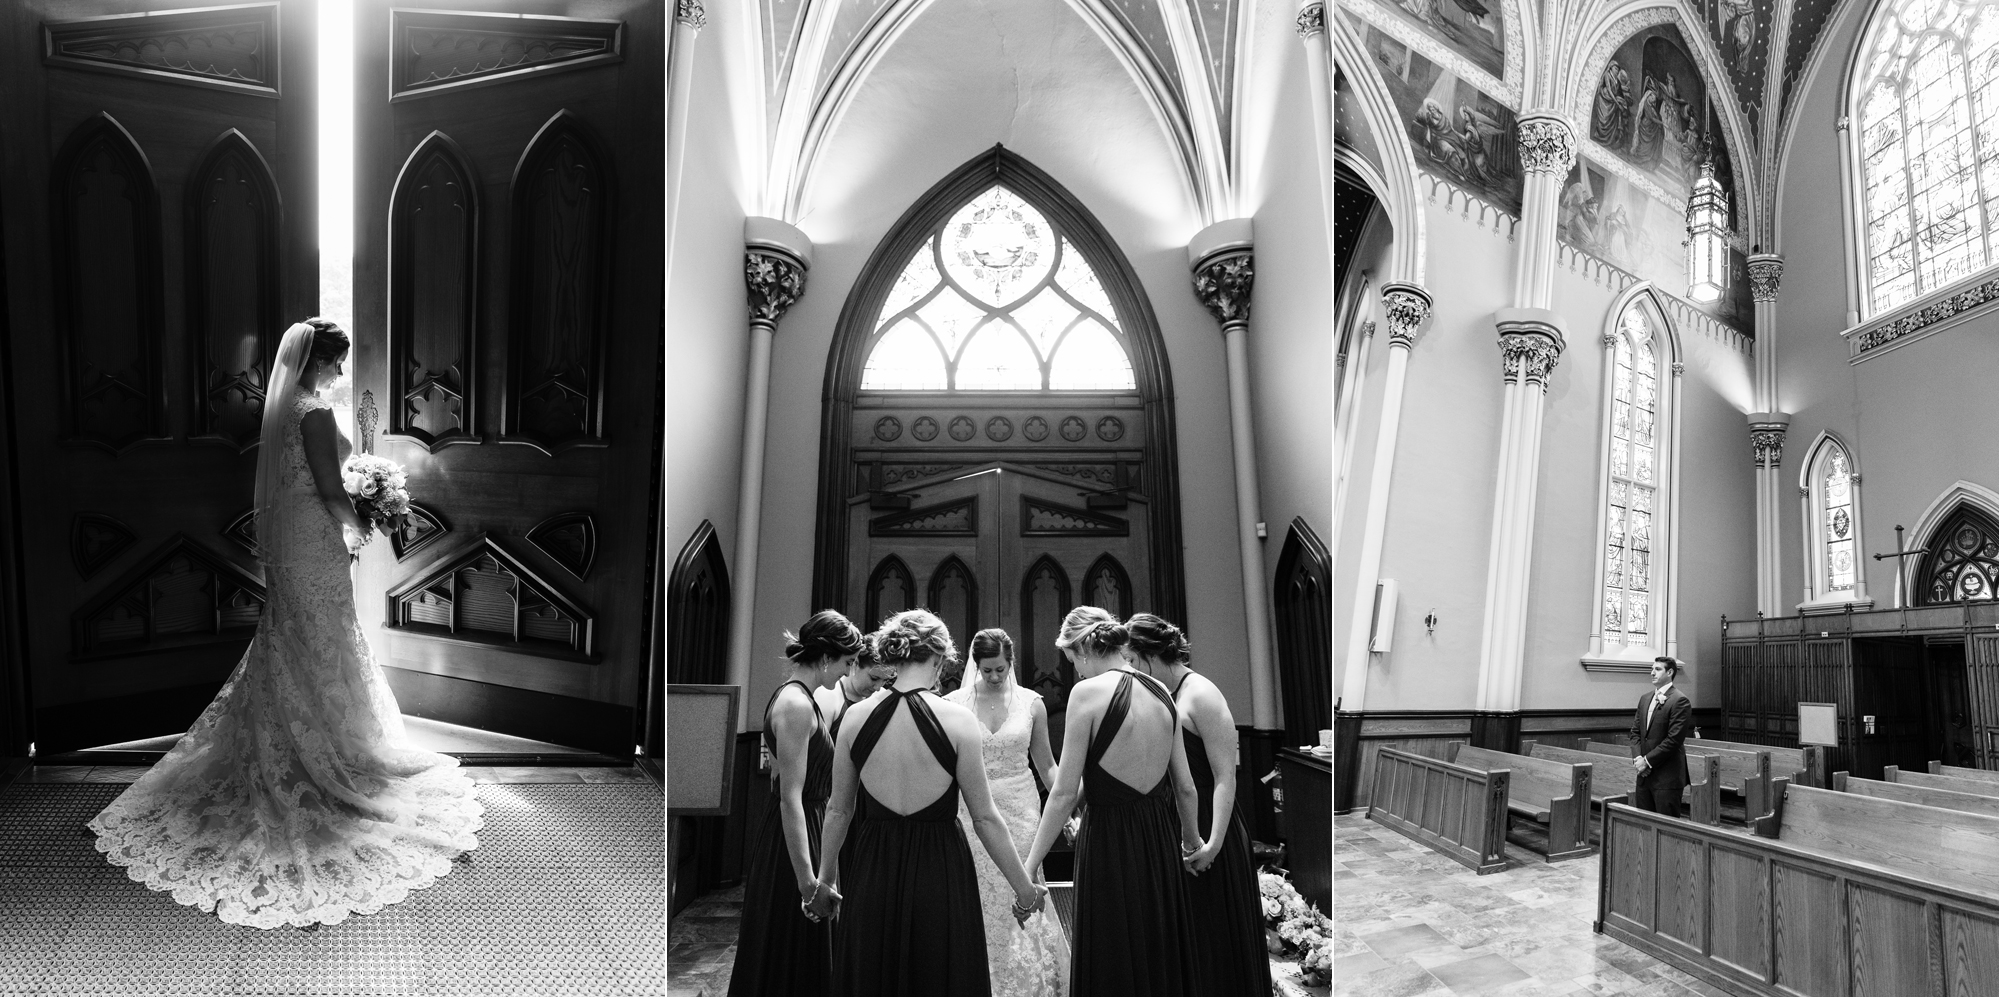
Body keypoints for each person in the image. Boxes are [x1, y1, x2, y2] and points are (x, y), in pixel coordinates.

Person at [86, 319, 483, 930]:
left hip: (295, 541)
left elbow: (332, 467)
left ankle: (295, 734)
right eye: (339, 363)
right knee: (323, 634)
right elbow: (329, 487)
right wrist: (364, 522)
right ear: (318, 361)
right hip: (316, 538)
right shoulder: (315, 414)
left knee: (294, 633)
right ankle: (322, 750)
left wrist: (369, 480)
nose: (343, 374)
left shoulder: (287, 409)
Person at [810, 610, 1046, 997]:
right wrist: (1025, 889)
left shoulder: (855, 717)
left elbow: (838, 809)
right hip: (941, 868)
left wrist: (826, 880)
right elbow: (985, 818)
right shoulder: (957, 720)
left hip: (874, 865)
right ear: (939, 658)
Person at [1023, 607, 1202, 997]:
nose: (1075, 671)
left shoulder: (1086, 694)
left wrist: (1031, 864)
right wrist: (1192, 843)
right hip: (1158, 838)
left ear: (1083, 650)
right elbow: (1185, 787)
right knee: (1157, 942)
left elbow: (1064, 792)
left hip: (1109, 839)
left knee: (1112, 948)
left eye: (1071, 661)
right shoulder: (1163, 694)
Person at [1126, 614, 1270, 997]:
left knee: (1214, 933)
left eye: (1130, 660)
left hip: (1211, 820)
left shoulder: (1202, 693)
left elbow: (1226, 776)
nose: (1128, 670)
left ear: (1148, 655)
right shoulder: (1162, 693)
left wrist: (1214, 844)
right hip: (1178, 820)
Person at [729, 611, 862, 997]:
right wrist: (808, 884)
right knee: (791, 944)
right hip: (796, 835)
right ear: (824, 659)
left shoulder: (803, 697)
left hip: (812, 824)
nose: (848, 673)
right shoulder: (796, 704)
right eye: (847, 663)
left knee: (805, 950)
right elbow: (790, 798)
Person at [945, 629, 1069, 997]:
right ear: (975, 666)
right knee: (980, 891)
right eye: (987, 671)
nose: (995, 677)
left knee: (1022, 883)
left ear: (1011, 663)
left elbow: (1046, 765)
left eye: (1000, 669)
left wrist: (1067, 806)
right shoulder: (955, 703)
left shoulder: (1032, 703)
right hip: (973, 809)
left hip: (1022, 809)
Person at [1629, 656, 1692, 817]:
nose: (1652, 673)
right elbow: (1635, 732)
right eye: (1652, 669)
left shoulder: (1680, 700)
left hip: (1666, 778)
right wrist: (1638, 760)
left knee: (1667, 829)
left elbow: (1674, 740)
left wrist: (1647, 761)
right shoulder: (1645, 699)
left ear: (1669, 672)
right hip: (1644, 776)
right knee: (1644, 825)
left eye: (1657, 669)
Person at [816, 632, 896, 739]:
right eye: (874, 678)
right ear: (855, 663)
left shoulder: (882, 698)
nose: (878, 687)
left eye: (885, 681)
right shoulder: (828, 696)